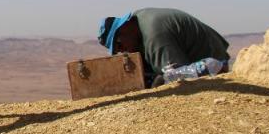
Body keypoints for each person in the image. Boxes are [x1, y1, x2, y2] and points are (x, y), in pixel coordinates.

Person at [97, 8, 230, 87]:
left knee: (163, 81)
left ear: (124, 27)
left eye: (119, 44)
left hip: (213, 60)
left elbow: (177, 75)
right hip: (200, 54)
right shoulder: (139, 19)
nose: (122, 50)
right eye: (117, 50)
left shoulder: (154, 35)